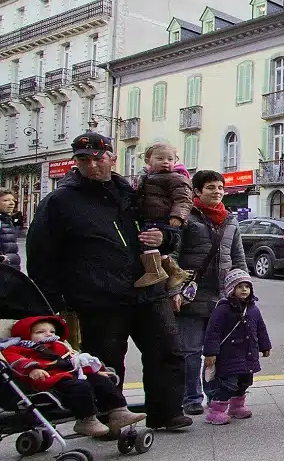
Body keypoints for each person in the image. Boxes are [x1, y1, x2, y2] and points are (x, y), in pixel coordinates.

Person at [26, 132, 190, 431]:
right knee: (105, 360)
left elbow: (165, 231)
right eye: (83, 160)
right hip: (99, 297)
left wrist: (165, 236)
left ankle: (166, 413)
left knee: (167, 351)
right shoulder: (60, 201)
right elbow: (40, 255)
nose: (92, 166)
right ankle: (106, 417)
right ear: (75, 162)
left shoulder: (131, 192)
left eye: (97, 158)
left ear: (112, 158)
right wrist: (54, 303)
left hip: (147, 288)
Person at [174, 170, 246, 415]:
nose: (216, 192)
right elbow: (173, 255)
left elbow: (238, 257)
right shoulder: (187, 218)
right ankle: (191, 398)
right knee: (191, 351)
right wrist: (175, 289)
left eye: (219, 187)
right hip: (192, 294)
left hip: (223, 298)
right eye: (210, 188)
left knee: (217, 352)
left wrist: (244, 287)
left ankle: (215, 396)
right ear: (197, 191)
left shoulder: (230, 220)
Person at [1, 315, 145, 437]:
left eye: (52, 331)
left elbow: (76, 359)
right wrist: (33, 369)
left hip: (71, 374)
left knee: (101, 380)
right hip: (49, 380)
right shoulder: (17, 348)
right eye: (41, 331)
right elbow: (16, 361)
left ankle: (119, 411)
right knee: (79, 385)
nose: (49, 334)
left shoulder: (59, 346)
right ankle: (86, 419)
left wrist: (94, 370)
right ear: (26, 334)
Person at [201, 270, 271, 425]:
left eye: (247, 286)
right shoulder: (223, 309)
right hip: (230, 354)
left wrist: (265, 346)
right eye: (240, 286)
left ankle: (236, 406)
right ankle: (216, 411)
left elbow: (261, 328)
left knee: (245, 381)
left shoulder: (253, 309)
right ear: (232, 289)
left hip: (248, 354)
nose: (244, 289)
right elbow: (213, 332)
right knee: (228, 383)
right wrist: (210, 353)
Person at [130, 143, 194, 290]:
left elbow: (184, 200)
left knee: (147, 241)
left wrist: (178, 216)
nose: (166, 162)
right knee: (155, 246)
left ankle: (154, 271)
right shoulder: (147, 177)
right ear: (148, 160)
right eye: (160, 158)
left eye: (170, 159)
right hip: (150, 217)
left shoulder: (176, 178)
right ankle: (175, 271)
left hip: (162, 218)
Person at [0, 189, 21, 270]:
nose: (12, 203)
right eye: (6, 200)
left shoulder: (6, 220)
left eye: (13, 200)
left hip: (10, 272)